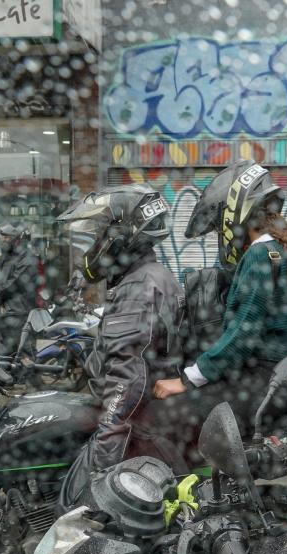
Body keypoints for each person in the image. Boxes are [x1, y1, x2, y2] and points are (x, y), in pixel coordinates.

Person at [152, 160, 287, 438]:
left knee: (168, 415)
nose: (222, 236)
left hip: (263, 384)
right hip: (286, 383)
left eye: (220, 228)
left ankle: (191, 481)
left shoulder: (259, 255)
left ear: (234, 215)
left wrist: (189, 378)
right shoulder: (283, 249)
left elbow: (243, 334)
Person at [55, 185, 183, 506]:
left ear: (120, 235)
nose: (89, 249)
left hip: (141, 431)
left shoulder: (139, 285)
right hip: (152, 421)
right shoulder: (148, 276)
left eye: (95, 236)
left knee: (77, 511)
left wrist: (106, 443)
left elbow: (129, 377)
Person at [0, 222, 42, 360]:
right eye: (2, 237)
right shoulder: (5, 256)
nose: (3, 240)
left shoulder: (28, 257)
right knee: (4, 355)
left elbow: (15, 282)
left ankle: (28, 378)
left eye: (7, 237)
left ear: (18, 238)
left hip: (20, 312)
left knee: (24, 352)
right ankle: (7, 378)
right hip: (4, 311)